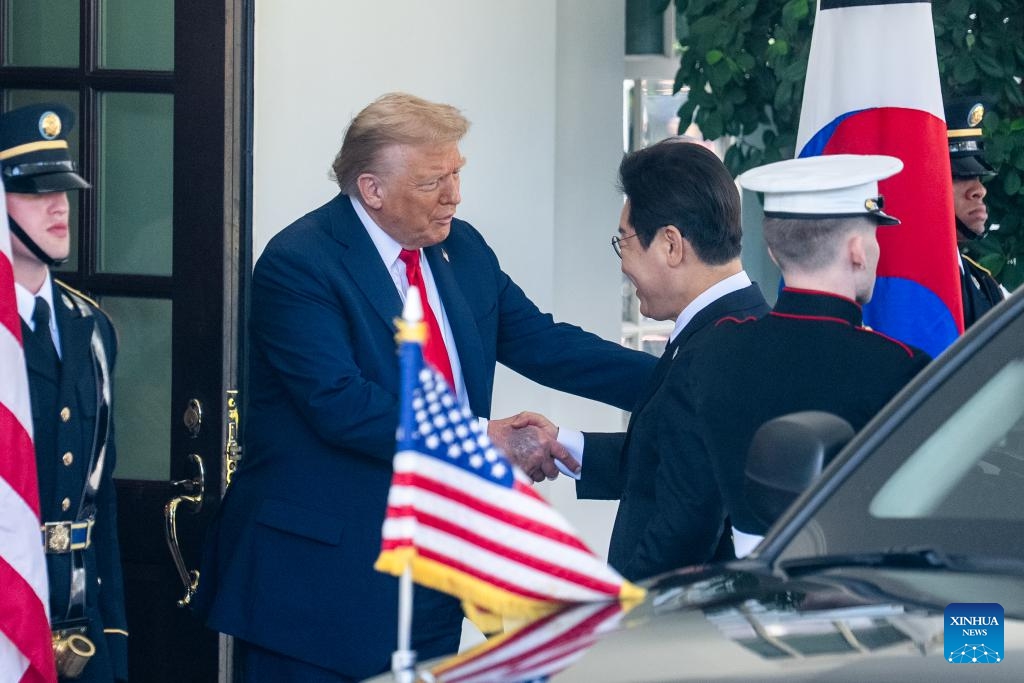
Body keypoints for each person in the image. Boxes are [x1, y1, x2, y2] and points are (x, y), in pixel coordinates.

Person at [193, 92, 657, 681]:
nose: (454, 196)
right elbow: (341, 403)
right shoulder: (300, 263)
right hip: (321, 587)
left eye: (457, 174)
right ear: (372, 189)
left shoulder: (459, 249)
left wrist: (681, 377)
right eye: (434, 181)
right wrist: (483, 439)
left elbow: (545, 344)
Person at [517, 138, 769, 581]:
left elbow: (686, 526)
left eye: (625, 242)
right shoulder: (733, 328)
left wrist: (620, 619)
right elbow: (675, 459)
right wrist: (565, 445)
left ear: (671, 244)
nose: (622, 263)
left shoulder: (713, 352)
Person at [672, 154, 932, 558]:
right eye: (875, 237)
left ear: (774, 253)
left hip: (746, 596)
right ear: (858, 250)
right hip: (863, 595)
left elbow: (688, 502)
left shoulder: (715, 351)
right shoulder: (898, 366)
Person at [2, 104, 128, 681]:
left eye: (65, 190)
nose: (59, 207)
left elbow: (103, 499)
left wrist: (114, 633)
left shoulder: (91, 325)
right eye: (35, 192)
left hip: (80, 615)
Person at [944, 97, 1009, 326]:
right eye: (959, 176)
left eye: (978, 177)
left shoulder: (983, 281)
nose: (979, 190)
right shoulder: (907, 280)